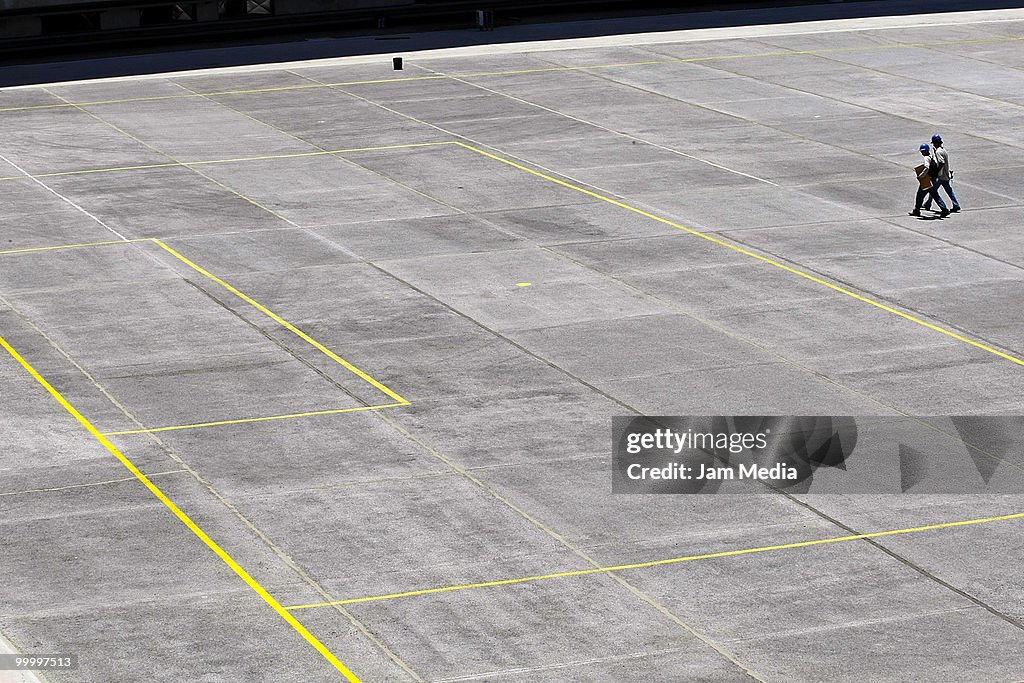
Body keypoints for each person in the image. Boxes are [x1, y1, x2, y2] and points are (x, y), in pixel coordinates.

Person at [923, 134, 960, 212]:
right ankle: (956, 204)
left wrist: (936, 172)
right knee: (949, 191)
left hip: (941, 176)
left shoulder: (938, 152)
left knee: (933, 190)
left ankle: (928, 204)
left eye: (933, 143)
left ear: (936, 143)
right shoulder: (943, 150)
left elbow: (941, 162)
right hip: (946, 175)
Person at [910, 143, 948, 217]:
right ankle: (944, 210)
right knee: (935, 195)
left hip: (927, 180)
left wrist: (921, 176)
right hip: (933, 179)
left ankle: (917, 210)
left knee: (920, 195)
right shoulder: (932, 157)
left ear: (925, 151)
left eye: (922, 151)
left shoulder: (926, 158)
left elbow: (926, 167)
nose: (922, 153)